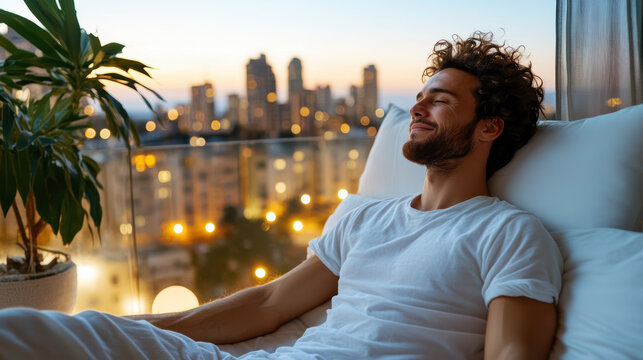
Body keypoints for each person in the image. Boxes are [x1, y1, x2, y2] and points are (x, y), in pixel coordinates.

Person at [0, 32, 562, 360]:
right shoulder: (364, 217)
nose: (415, 109)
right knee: (32, 329)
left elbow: (511, 354)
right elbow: (270, 304)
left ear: (489, 127)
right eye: (418, 97)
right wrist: (145, 329)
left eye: (439, 101)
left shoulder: (508, 233)